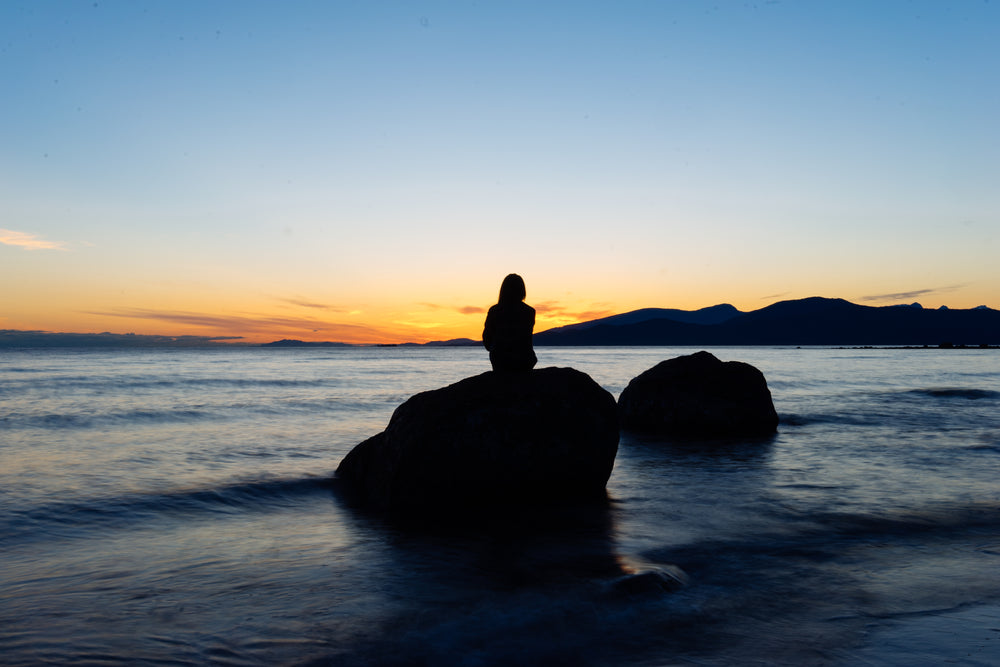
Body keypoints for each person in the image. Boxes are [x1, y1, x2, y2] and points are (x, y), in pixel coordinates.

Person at [482, 273, 537, 372]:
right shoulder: (529, 311)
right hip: (524, 360)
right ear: (522, 290)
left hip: (500, 360)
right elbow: (527, 339)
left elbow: (487, 339)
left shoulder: (494, 310)